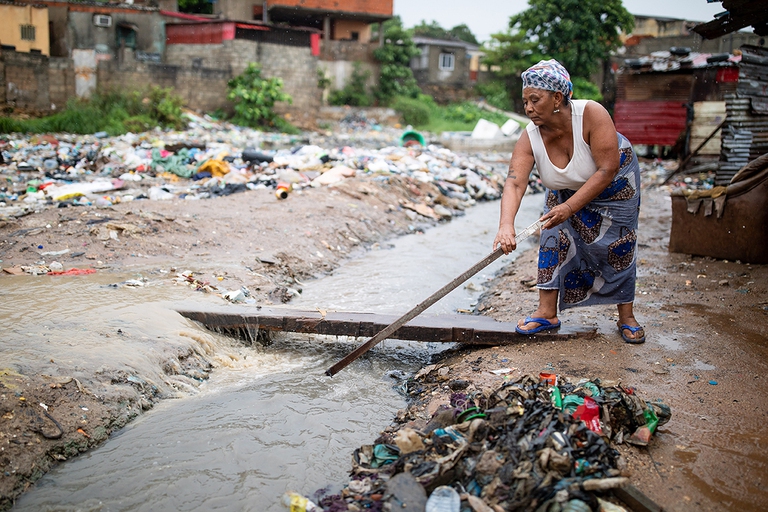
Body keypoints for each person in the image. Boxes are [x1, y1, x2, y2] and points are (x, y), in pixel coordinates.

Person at [493, 59, 645, 343]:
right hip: (565, 189)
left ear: (557, 98)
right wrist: (505, 225)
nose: (528, 108)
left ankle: (627, 316)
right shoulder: (530, 137)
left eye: (534, 100)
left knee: (620, 242)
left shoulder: (591, 114)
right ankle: (547, 312)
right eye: (525, 101)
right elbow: (515, 182)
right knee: (551, 231)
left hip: (616, 182)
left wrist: (571, 207)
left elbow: (607, 169)